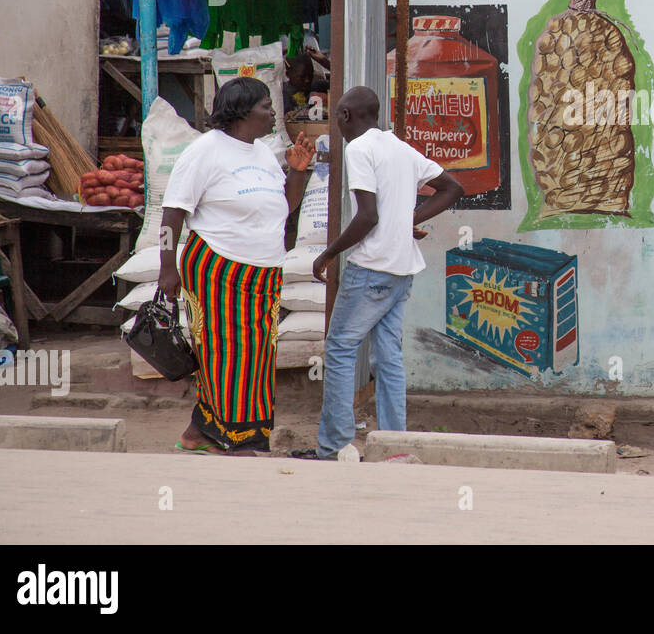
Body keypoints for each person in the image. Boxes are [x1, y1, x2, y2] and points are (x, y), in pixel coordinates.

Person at [294, 86, 462, 460]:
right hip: (403, 269)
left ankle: (333, 446)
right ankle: (394, 448)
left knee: (339, 350)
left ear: (346, 117)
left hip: (372, 268)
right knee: (387, 355)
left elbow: (367, 216)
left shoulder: (359, 149)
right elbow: (453, 188)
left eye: (337, 116)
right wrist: (409, 219)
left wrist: (328, 254)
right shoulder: (401, 148)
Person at [159, 77, 315, 454]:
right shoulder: (204, 152)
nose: (273, 112)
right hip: (217, 269)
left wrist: (297, 171)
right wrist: (167, 268)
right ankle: (234, 439)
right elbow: (171, 214)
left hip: (264, 273)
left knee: (259, 354)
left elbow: (284, 208)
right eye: (265, 106)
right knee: (226, 353)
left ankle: (200, 433)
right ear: (243, 112)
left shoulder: (262, 152)